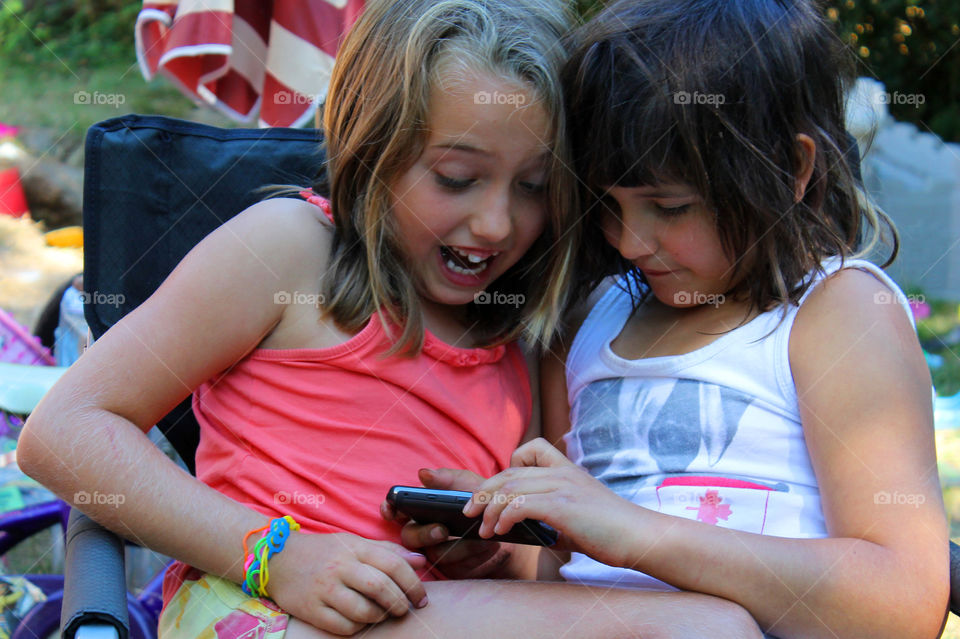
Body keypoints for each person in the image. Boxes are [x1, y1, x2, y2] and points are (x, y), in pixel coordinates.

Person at [17, 1, 763, 638]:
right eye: (457, 178)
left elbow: (529, 579)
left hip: (416, 610)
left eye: (534, 186)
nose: (497, 223)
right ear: (373, 151)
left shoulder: (523, 338)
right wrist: (277, 553)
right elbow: (62, 432)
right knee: (707, 627)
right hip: (259, 605)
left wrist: (484, 553)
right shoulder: (289, 250)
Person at [431, 1, 949, 638]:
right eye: (607, 205)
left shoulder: (833, 315)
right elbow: (559, 573)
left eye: (669, 206)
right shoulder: (590, 321)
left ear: (791, 170)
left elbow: (902, 604)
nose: (628, 242)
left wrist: (637, 534)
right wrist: (497, 552)